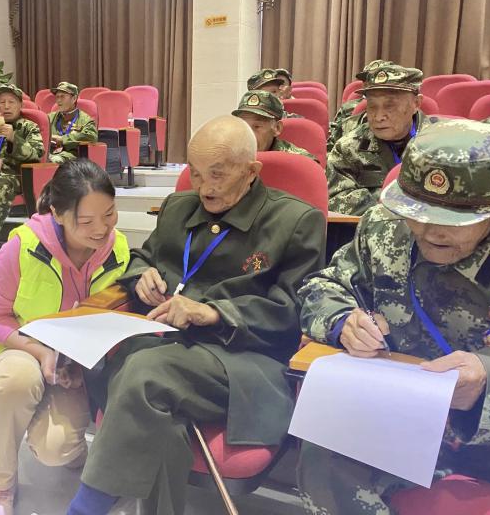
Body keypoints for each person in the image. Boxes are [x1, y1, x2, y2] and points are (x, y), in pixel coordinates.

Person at [66, 115, 326, 515]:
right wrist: (141, 276)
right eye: (197, 173)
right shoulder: (178, 207)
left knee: (144, 374)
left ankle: (86, 508)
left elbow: (293, 311)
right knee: (151, 403)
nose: (204, 187)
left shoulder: (295, 221)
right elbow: (142, 257)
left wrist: (214, 313)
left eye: (217, 175)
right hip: (167, 343)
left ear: (251, 171)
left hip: (242, 360)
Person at [297, 119, 490, 514]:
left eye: (452, 220)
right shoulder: (384, 229)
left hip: (489, 436)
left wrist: (488, 382)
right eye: (417, 213)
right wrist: (342, 320)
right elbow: (323, 286)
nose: (429, 231)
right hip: (400, 417)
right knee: (325, 451)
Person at [0, 159, 130, 515]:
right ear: (57, 214)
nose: (102, 229)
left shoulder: (118, 249)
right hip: (20, 345)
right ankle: (0, 486)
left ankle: (67, 441)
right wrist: (42, 353)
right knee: (16, 381)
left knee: (56, 449)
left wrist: (78, 363)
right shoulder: (24, 245)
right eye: (86, 221)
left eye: (109, 214)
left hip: (73, 360)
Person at [327, 62, 440, 216]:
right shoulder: (349, 148)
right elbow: (335, 199)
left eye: (390, 106)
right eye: (372, 106)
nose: (379, 117)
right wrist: (400, 201)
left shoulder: (442, 144)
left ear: (416, 104)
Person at [0, 84, 43, 256]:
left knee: (1, 185)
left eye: (11, 102)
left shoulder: (29, 127)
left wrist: (14, 138)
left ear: (20, 105)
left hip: (14, 175)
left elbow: (36, 154)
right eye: (2, 102)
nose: (6, 106)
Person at [232, 90, 318, 162]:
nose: (248, 134)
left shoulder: (300, 163)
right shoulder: (231, 155)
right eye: (244, 126)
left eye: (257, 126)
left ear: (277, 128)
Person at [327, 59, 394, 151]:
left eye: (377, 78)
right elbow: (333, 143)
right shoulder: (348, 109)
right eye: (366, 79)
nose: (369, 83)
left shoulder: (404, 118)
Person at [47, 82, 97, 164]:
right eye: (57, 97)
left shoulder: (85, 120)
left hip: (72, 156)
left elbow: (91, 137)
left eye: (62, 96)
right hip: (50, 153)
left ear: (74, 98)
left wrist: (62, 139)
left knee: (53, 161)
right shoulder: (49, 118)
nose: (58, 100)